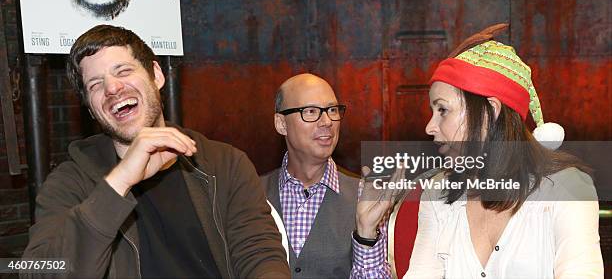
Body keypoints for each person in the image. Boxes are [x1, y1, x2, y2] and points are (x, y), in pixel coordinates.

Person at [22, 24, 290, 278]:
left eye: (123, 71)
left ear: (156, 75)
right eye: (95, 85)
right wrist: (119, 182)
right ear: (91, 109)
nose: (113, 88)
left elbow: (260, 254)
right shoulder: (70, 182)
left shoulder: (224, 163)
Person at [360, 23, 604, 278]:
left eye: (442, 110)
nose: (430, 126)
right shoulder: (438, 193)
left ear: (491, 111)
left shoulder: (567, 188)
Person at [260, 73, 391, 278]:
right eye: (311, 111)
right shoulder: (251, 194)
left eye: (332, 110)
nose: (327, 121)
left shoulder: (362, 195)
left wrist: (366, 235)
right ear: (281, 124)